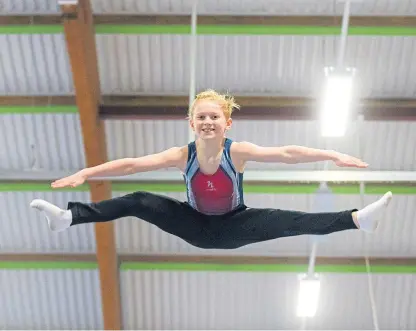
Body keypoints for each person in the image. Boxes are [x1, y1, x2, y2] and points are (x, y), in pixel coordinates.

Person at [30, 89, 393, 249]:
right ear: (191, 122)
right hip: (195, 225)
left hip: (237, 224)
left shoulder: (239, 153)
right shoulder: (181, 155)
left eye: (214, 117)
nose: (207, 122)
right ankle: (68, 218)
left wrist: (330, 154)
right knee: (138, 199)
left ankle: (359, 220)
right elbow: (131, 164)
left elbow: (286, 153)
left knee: (290, 219)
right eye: (201, 116)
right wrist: (87, 173)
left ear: (227, 124)